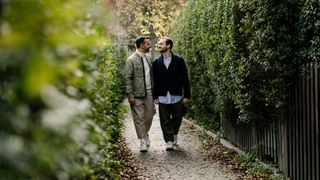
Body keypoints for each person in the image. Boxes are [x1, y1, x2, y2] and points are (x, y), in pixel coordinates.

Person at [153, 37, 190, 151]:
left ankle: (174, 134)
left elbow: (185, 79)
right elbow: (155, 80)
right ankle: (168, 141)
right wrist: (155, 96)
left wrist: (187, 95)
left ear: (168, 46)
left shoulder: (179, 60)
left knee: (178, 117)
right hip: (162, 95)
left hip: (177, 95)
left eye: (161, 44)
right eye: (159, 44)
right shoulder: (156, 63)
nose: (158, 45)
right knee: (164, 119)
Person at [124, 36, 155, 152]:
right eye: (147, 44)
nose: (149, 45)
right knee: (139, 118)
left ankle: (145, 133)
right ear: (141, 45)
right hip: (136, 95)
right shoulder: (131, 60)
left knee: (150, 116)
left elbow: (152, 76)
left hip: (149, 93)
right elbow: (127, 78)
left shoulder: (149, 58)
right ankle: (142, 140)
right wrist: (130, 95)